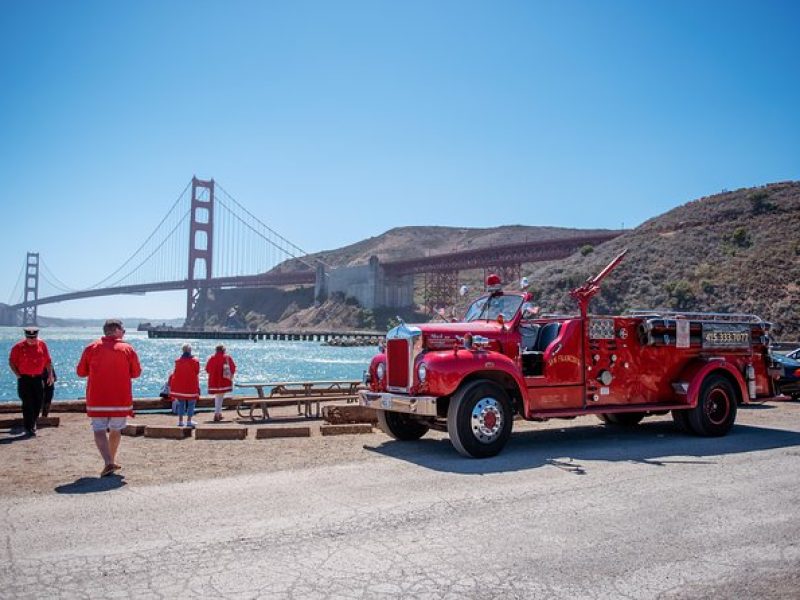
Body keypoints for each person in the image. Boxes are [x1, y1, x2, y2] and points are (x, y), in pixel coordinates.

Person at [76, 319, 142, 477]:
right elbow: (136, 373)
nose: (124, 333)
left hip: (97, 397)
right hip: (120, 398)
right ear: (117, 331)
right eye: (123, 330)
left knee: (98, 429)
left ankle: (108, 462)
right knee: (116, 429)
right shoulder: (127, 349)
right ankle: (110, 460)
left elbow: (80, 372)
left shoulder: (91, 347)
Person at [8, 326, 54, 436]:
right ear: (26, 336)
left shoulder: (42, 344)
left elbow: (48, 361)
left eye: (34, 337)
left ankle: (32, 422)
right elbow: (11, 362)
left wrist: (50, 375)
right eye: (30, 338)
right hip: (24, 379)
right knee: (27, 403)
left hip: (38, 378)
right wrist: (18, 375)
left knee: (38, 402)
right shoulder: (18, 347)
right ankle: (30, 427)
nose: (32, 340)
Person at [170, 343, 200, 428]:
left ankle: (180, 421)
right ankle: (189, 421)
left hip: (180, 386)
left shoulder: (178, 361)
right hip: (191, 385)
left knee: (181, 404)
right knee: (191, 404)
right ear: (190, 350)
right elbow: (197, 371)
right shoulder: (195, 361)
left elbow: (176, 373)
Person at [205, 344, 236, 422]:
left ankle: (218, 413)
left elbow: (207, 369)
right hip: (224, 380)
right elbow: (233, 367)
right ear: (223, 350)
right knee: (220, 396)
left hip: (214, 380)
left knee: (218, 396)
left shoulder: (212, 358)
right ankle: (217, 413)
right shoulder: (227, 357)